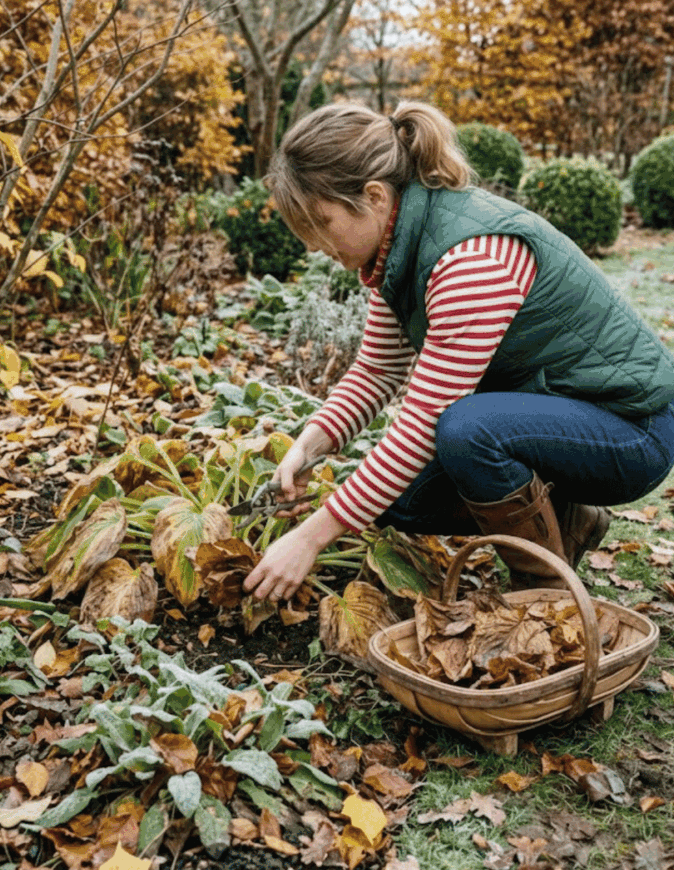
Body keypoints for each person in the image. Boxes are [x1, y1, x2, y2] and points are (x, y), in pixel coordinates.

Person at [243, 101, 674, 603]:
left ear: (374, 196)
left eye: (320, 222)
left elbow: (426, 420)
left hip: (632, 430)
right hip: (560, 414)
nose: (314, 245)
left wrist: (311, 538)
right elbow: (377, 370)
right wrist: (309, 445)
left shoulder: (469, 261)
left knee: (467, 430)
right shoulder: (399, 251)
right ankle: (568, 521)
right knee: (399, 502)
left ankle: (546, 594)